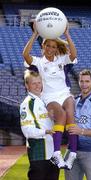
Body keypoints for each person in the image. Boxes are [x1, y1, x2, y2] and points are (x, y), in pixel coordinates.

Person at [22, 22, 78, 170]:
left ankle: (72, 153)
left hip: (64, 93)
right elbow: (25, 55)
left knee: (70, 112)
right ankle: (57, 153)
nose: (50, 49)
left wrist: (67, 34)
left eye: (53, 47)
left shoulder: (62, 59)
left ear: (56, 49)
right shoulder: (39, 62)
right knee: (61, 115)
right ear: (43, 47)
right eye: (48, 46)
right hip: (49, 96)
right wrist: (35, 34)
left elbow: (74, 54)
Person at [20, 69, 60, 180]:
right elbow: (26, 130)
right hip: (38, 154)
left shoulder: (46, 99)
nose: (38, 86)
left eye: (39, 82)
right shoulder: (27, 103)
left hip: (53, 154)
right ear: (27, 85)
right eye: (34, 83)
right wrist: (45, 131)